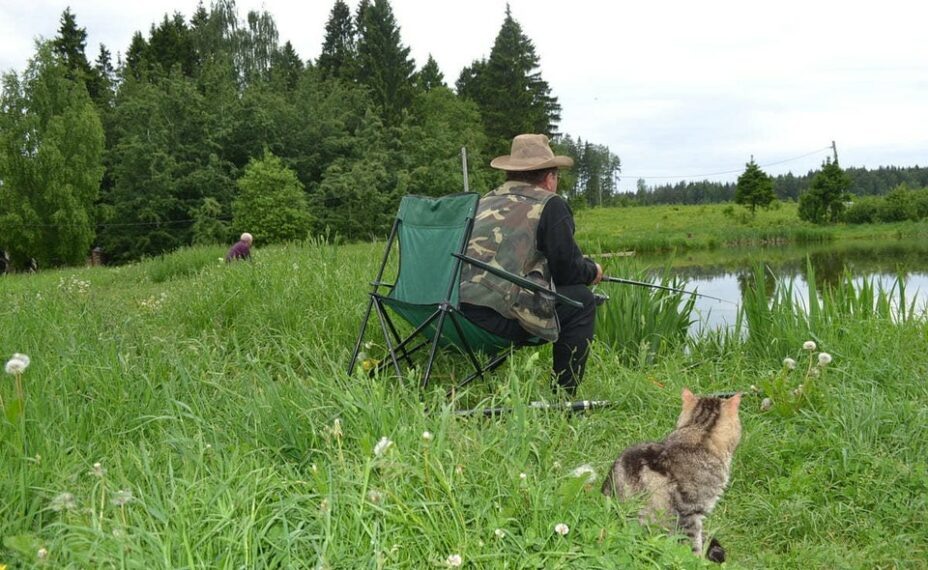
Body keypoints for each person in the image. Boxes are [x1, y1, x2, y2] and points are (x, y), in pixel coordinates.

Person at [459, 134, 603, 395]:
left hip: (454, 312)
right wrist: (593, 270)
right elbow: (568, 272)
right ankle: (563, 396)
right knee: (581, 300)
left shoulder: (482, 202)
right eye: (556, 177)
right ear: (550, 178)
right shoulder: (550, 205)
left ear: (511, 173)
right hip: (497, 320)